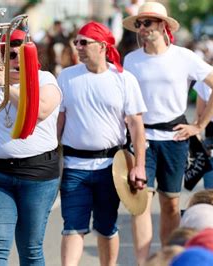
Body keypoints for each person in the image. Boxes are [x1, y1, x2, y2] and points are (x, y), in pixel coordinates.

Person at [122, 2, 213, 264]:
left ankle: (168, 258)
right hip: (142, 140)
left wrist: (199, 125)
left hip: (175, 139)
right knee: (140, 203)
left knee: (171, 205)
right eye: (138, 24)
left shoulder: (183, 56)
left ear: (163, 25)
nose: (142, 29)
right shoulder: (131, 60)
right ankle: (143, 262)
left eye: (147, 23)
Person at [57, 21, 147, 266]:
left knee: (106, 227)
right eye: (76, 42)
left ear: (104, 46)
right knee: (72, 227)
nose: (78, 47)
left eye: (84, 42)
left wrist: (139, 166)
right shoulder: (66, 77)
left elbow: (136, 126)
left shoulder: (124, 79)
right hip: (74, 166)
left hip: (112, 166)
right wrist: (52, 161)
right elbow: (58, 123)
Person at [0, 28, 62, 265]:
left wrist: (7, 87)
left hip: (37, 176)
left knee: (31, 250)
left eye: (20, 55)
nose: (15, 60)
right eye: (9, 55)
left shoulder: (45, 79)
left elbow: (39, 111)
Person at [194, 81, 213, 189]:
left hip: (211, 138)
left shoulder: (205, 78)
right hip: (211, 140)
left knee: (210, 192)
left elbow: (199, 114)